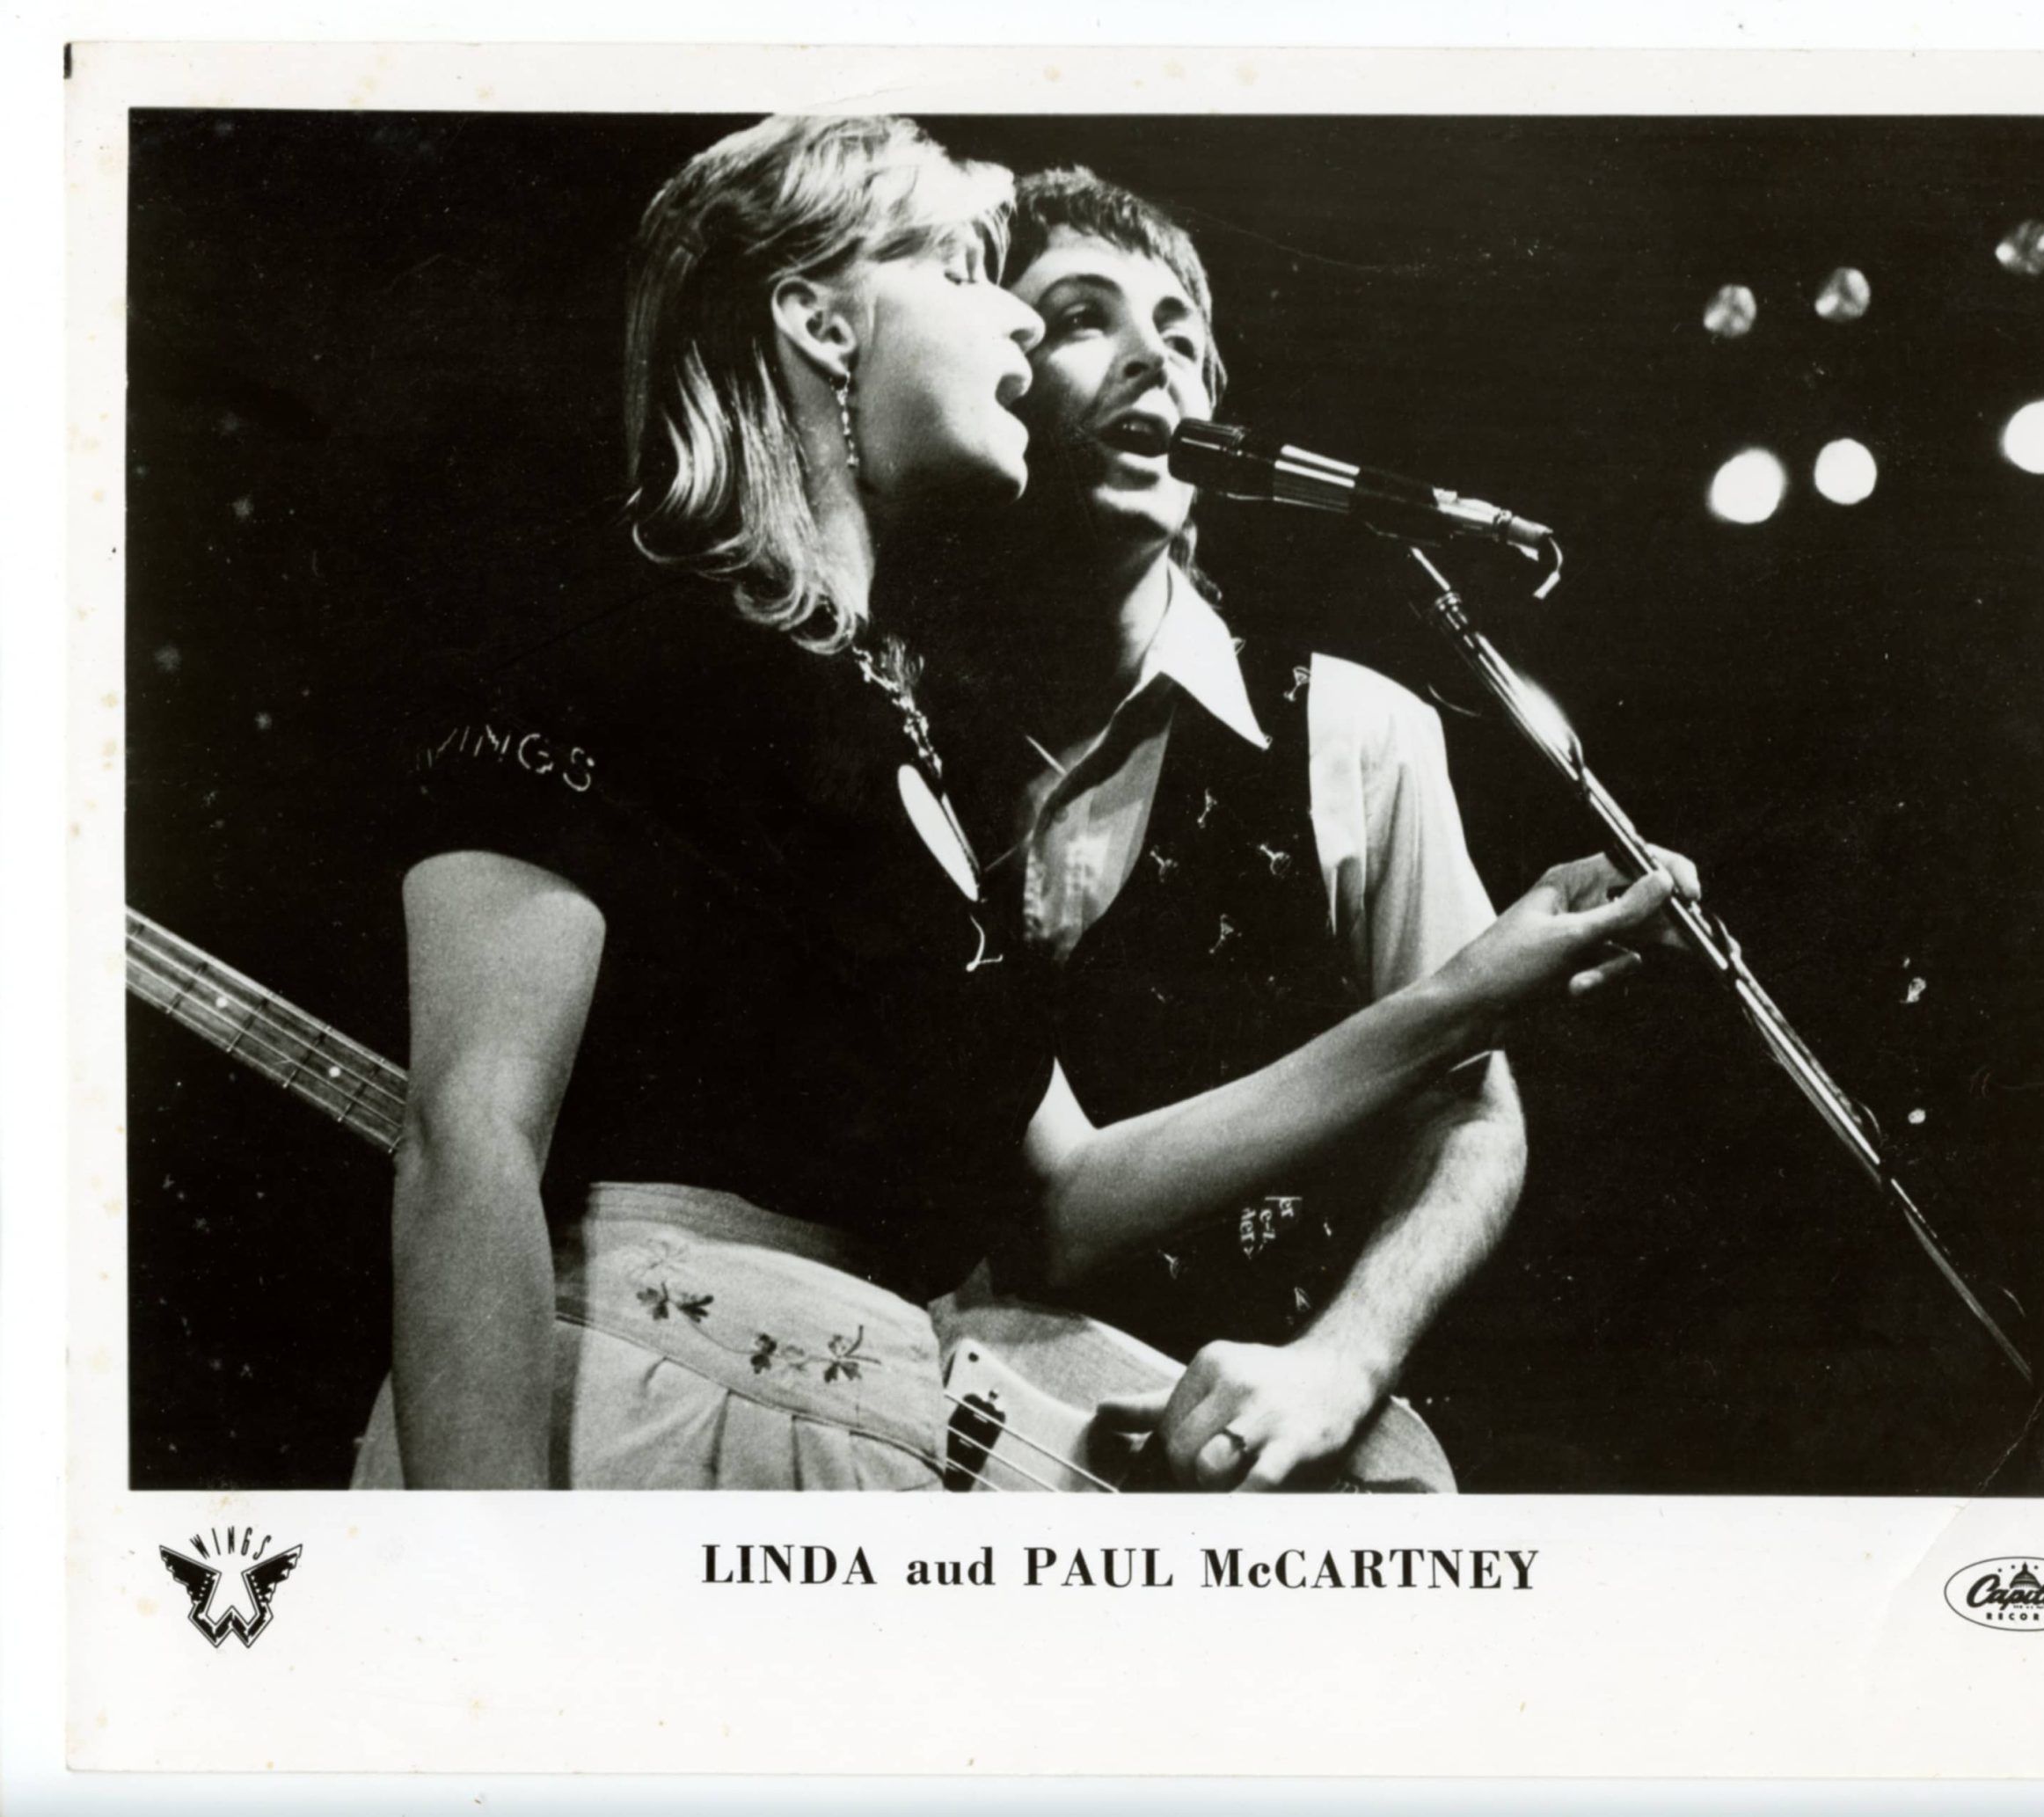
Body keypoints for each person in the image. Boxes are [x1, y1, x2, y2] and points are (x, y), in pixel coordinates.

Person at [352, 115, 1690, 1493]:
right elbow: (468, 1142)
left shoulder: (888, 727)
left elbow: (1060, 1191)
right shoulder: (636, 653)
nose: (1009, 317)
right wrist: (485, 1585)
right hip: (654, 1427)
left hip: (849, 1448)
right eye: (966, 272)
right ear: (820, 321)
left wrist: (1469, 991)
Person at [927, 166, 1560, 1485]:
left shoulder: (1357, 728)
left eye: (1182, 339)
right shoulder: (888, 722)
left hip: (1233, 1481)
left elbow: (1475, 1116)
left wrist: (1343, 1360)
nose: (1153, 364)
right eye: (1084, 314)